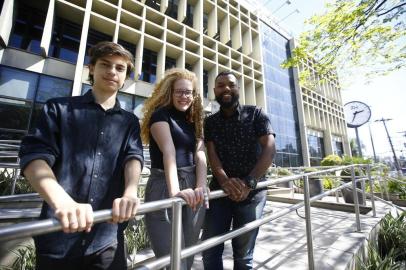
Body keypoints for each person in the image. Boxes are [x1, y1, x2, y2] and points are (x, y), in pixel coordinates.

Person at [18, 41, 144, 270]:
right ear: (92, 69)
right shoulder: (58, 108)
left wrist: (131, 191)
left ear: (125, 77)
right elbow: (35, 155)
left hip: (108, 238)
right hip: (58, 237)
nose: (112, 71)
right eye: (105, 64)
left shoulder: (130, 121)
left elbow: (133, 156)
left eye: (120, 68)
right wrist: (62, 202)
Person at [202, 71, 276, 270]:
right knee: (209, 251)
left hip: (252, 193)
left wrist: (248, 182)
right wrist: (225, 181)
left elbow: (269, 149)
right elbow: (212, 154)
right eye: (221, 85)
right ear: (214, 90)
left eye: (231, 84)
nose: (226, 88)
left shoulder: (256, 114)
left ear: (238, 89)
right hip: (220, 192)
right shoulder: (210, 122)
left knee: (244, 257)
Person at [141, 68, 207, 270]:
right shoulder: (160, 116)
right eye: (179, 91)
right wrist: (175, 192)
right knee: (171, 258)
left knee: (188, 254)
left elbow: (200, 154)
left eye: (188, 92)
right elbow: (168, 152)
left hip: (193, 184)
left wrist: (201, 186)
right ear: (169, 92)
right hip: (165, 185)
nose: (184, 96)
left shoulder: (193, 120)